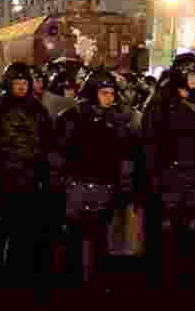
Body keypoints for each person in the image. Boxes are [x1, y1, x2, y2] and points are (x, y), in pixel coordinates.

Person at [50, 69, 135, 290]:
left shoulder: (116, 121)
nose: (110, 97)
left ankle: (92, 286)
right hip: (78, 187)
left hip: (103, 187)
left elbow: (123, 155)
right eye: (104, 93)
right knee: (77, 239)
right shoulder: (72, 118)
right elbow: (57, 154)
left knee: (98, 239)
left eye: (111, 93)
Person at [0, 63, 53, 301]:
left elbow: (46, 145)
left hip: (28, 181)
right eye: (16, 82)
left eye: (24, 82)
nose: (21, 86)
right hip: (1, 181)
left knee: (22, 235)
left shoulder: (37, 110)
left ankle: (15, 281)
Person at [141, 53, 195, 288]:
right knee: (169, 226)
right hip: (170, 174)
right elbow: (151, 141)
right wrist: (153, 174)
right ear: (182, 74)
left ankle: (193, 272)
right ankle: (167, 274)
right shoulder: (160, 102)